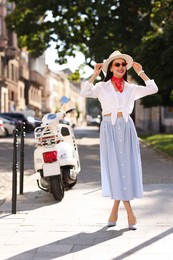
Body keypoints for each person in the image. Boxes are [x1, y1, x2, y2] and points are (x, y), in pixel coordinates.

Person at [80, 50, 158, 230]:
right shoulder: (102, 86)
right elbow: (85, 92)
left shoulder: (131, 88)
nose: (121, 67)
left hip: (127, 127)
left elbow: (153, 88)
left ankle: (115, 210)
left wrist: (141, 72)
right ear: (111, 68)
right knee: (114, 167)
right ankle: (130, 213)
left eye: (124, 64)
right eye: (117, 64)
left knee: (126, 167)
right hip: (109, 128)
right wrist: (94, 73)